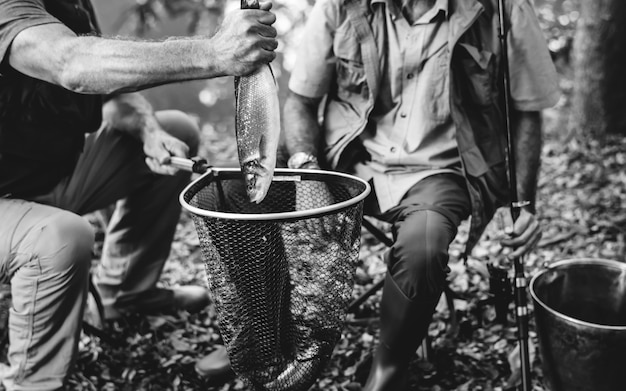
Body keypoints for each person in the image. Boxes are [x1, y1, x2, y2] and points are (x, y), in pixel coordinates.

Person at [0, 0, 277, 389]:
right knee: (62, 236)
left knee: (176, 130)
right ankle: (29, 383)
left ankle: (124, 294)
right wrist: (214, 53)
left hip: (46, 176)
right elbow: (71, 63)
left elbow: (107, 87)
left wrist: (149, 130)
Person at [283, 0, 559, 389]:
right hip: (347, 161)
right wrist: (307, 170)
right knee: (243, 192)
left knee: (423, 246)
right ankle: (260, 337)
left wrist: (523, 204)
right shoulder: (340, 6)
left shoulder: (503, 9)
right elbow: (301, 101)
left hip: (440, 171)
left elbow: (527, 112)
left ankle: (388, 370)